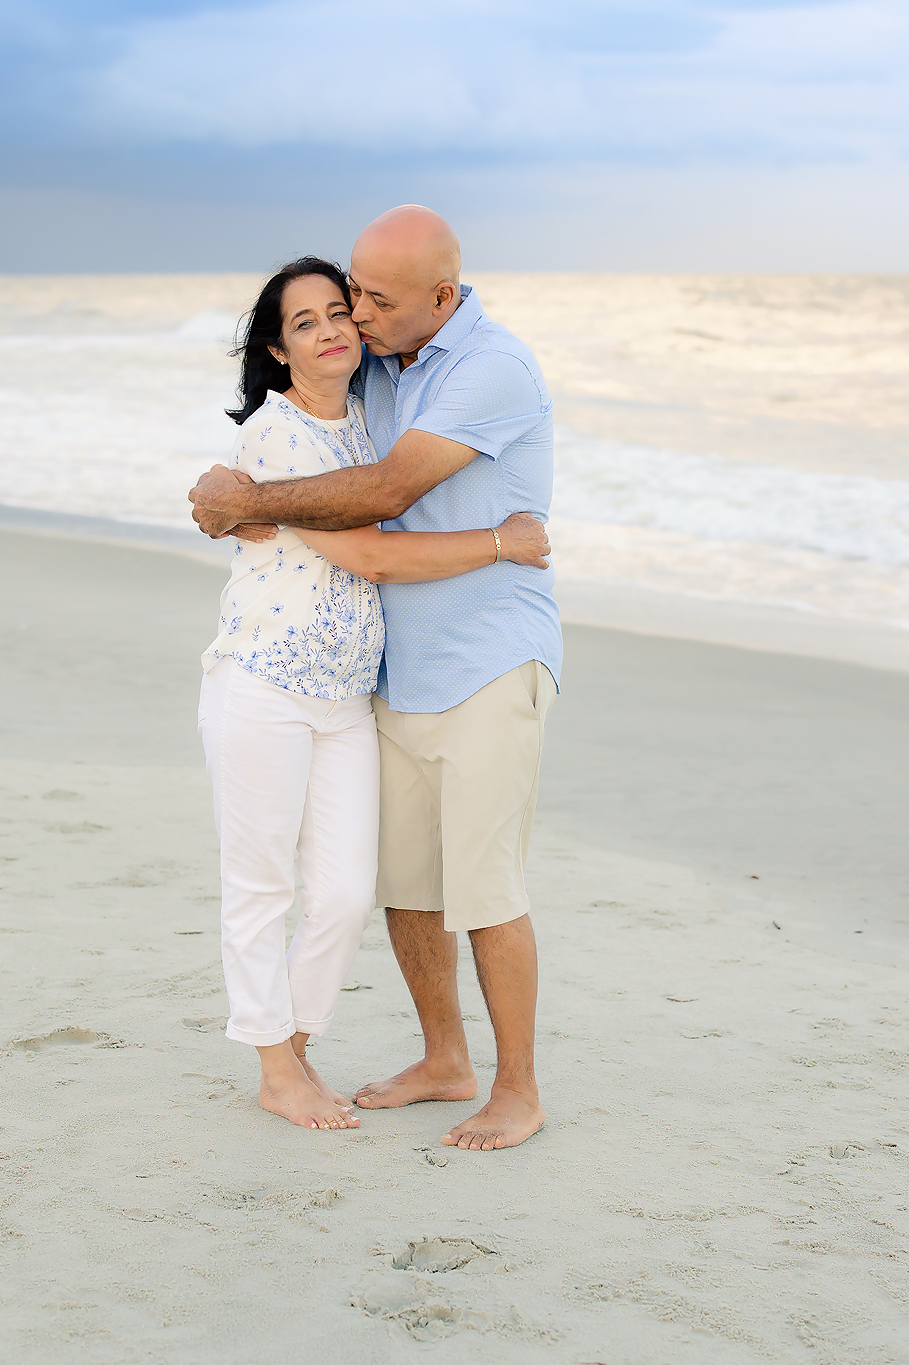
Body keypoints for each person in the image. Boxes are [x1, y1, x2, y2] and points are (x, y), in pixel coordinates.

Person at [190, 209, 561, 1152]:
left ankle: (513, 1088)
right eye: (338, 300)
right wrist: (243, 495)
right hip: (363, 679)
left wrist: (245, 503)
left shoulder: (487, 369)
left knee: (473, 887)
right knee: (395, 887)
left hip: (479, 662)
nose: (352, 316)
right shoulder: (377, 377)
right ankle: (431, 1059)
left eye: (366, 301)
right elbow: (357, 531)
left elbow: (388, 500)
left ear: (441, 298)